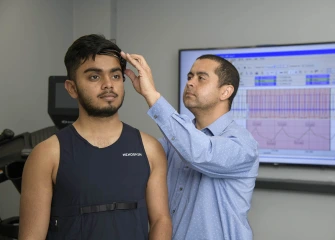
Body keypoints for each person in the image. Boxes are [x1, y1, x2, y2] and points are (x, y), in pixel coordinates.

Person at [18, 34, 172, 240]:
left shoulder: (150, 148)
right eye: (94, 76)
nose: (108, 84)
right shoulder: (46, 154)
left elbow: (161, 220)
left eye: (116, 76)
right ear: (72, 88)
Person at [121, 52, 259, 240]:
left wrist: (151, 95)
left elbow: (200, 153)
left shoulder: (242, 144)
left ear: (225, 92)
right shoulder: (175, 142)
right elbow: (135, 160)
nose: (190, 83)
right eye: (189, 77)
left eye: (201, 78)